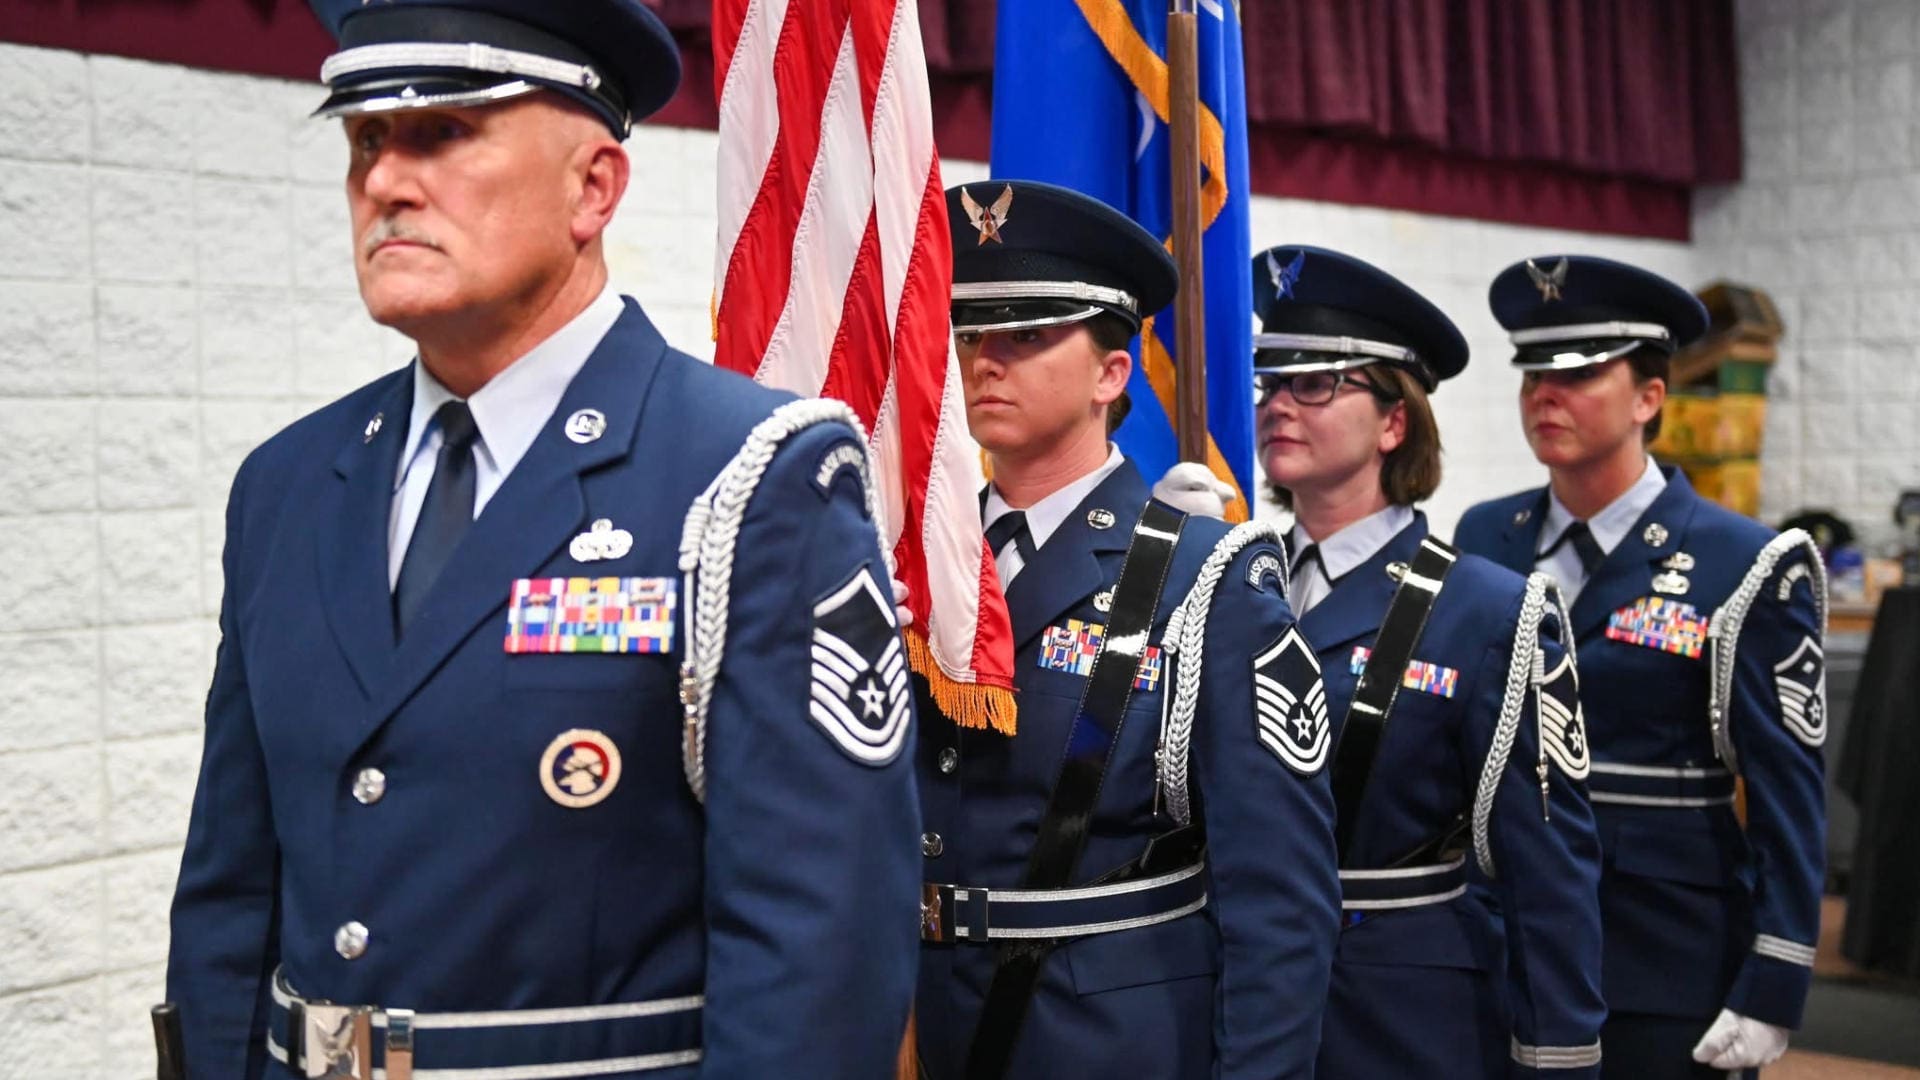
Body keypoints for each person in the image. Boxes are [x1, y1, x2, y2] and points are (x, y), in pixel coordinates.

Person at [164, 2, 921, 1076]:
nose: (384, 182)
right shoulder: (288, 484)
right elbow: (232, 887)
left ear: (593, 187)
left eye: (445, 133)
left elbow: (820, 945)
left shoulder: (752, 478)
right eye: (367, 140)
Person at [911, 179, 1340, 1080]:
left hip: (1100, 1037)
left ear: (1113, 373)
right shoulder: (914, 557)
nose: (986, 360)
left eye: (1028, 335)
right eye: (971, 333)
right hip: (916, 1027)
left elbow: (1279, 901)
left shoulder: (1205, 578)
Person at [1456, 255, 1829, 1079]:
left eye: (1581, 373)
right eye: (1532, 374)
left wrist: (1777, 974)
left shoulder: (1745, 560)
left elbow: (1786, 790)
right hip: (1505, 934)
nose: (1545, 396)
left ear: (1649, 397)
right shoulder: (1485, 540)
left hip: (1661, 950)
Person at [1242, 246, 1605, 1077]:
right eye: (1270, 383)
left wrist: (1560, 1049)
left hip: (1396, 1011)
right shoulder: (1231, 581)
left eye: (1318, 383)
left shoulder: (1486, 607)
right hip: (1235, 993)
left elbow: (1544, 860)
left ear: (1394, 421)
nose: (1279, 406)